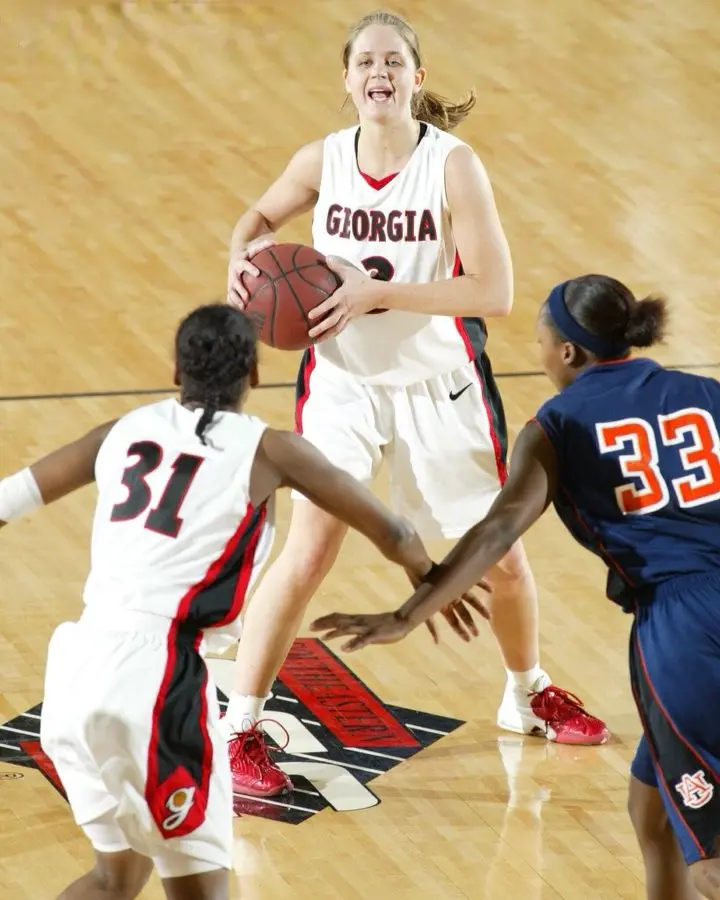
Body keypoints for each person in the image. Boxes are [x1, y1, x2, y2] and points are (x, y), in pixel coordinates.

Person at [225, 9, 608, 796]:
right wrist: (241, 257)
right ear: (347, 79)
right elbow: (259, 219)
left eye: (395, 61)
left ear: (416, 78)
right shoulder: (322, 159)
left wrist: (376, 292)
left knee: (501, 559)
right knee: (310, 550)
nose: (380, 72)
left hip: (441, 384)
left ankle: (526, 693)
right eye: (366, 60)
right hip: (342, 383)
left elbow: (493, 292)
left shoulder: (453, 166)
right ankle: (239, 727)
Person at [0, 303, 481, 900]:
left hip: (75, 669)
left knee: (114, 877)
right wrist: (429, 580)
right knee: (201, 890)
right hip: (159, 679)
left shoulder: (120, 430)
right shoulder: (270, 450)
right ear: (254, 373)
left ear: (176, 368)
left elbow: (6, 500)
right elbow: (398, 534)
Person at [312, 273, 720, 900]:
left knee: (711, 857)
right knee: (651, 806)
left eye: (539, 344)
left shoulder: (558, 423)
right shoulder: (704, 391)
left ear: (567, 353)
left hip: (682, 630)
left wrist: (411, 612)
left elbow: (501, 528)